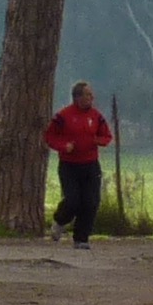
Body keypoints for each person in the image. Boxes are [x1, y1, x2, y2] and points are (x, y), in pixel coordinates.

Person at [44, 81, 116, 247]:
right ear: (77, 97)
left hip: (90, 165)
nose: (91, 98)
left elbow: (107, 136)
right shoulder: (63, 116)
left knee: (91, 201)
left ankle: (81, 238)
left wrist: (97, 141)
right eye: (87, 95)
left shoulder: (96, 116)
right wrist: (64, 146)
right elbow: (50, 137)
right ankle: (60, 221)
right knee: (73, 201)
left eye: (91, 95)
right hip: (69, 165)